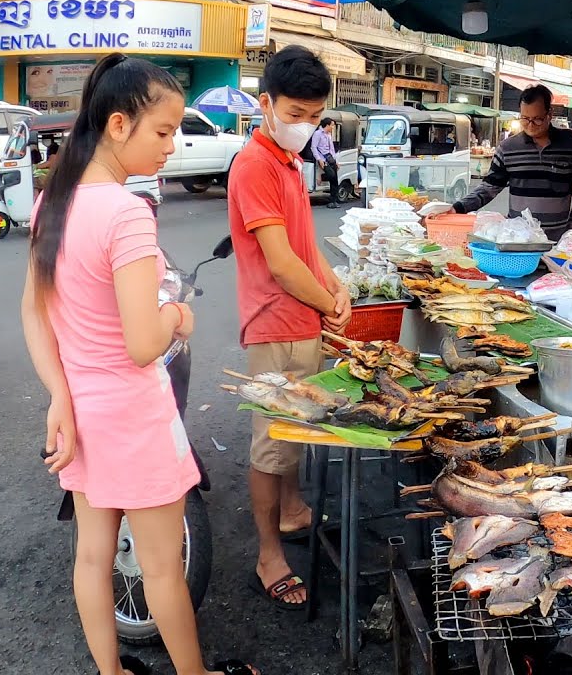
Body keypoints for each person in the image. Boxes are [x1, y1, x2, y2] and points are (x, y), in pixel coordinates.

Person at [20, 54, 260, 675]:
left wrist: (59, 397)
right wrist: (179, 316)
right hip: (133, 415)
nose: (172, 146)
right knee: (159, 567)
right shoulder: (125, 212)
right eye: (163, 131)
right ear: (120, 124)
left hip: (84, 416)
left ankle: (112, 670)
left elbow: (33, 314)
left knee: (93, 558)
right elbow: (142, 343)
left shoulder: (56, 201)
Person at [227, 45, 352, 612]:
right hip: (274, 323)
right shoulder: (254, 165)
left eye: (314, 117)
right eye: (295, 114)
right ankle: (268, 554)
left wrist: (337, 285)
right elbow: (279, 263)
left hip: (302, 318)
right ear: (266, 104)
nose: (305, 126)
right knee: (271, 443)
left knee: (297, 429)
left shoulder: (289, 163)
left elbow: (304, 247)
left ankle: (295, 508)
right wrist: (327, 301)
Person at [444, 84, 572, 240]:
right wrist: (458, 207)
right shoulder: (508, 148)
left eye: (537, 120)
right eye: (525, 119)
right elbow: (488, 188)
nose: (530, 125)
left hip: (563, 242)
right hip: (521, 242)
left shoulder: (570, 142)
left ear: (550, 114)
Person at [311, 116, 341, 209]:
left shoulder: (328, 135)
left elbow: (331, 148)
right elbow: (314, 147)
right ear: (327, 125)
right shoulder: (318, 134)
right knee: (331, 175)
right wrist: (319, 159)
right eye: (332, 125)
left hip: (330, 158)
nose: (333, 128)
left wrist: (336, 161)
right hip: (323, 158)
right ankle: (319, 177)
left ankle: (333, 201)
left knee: (335, 180)